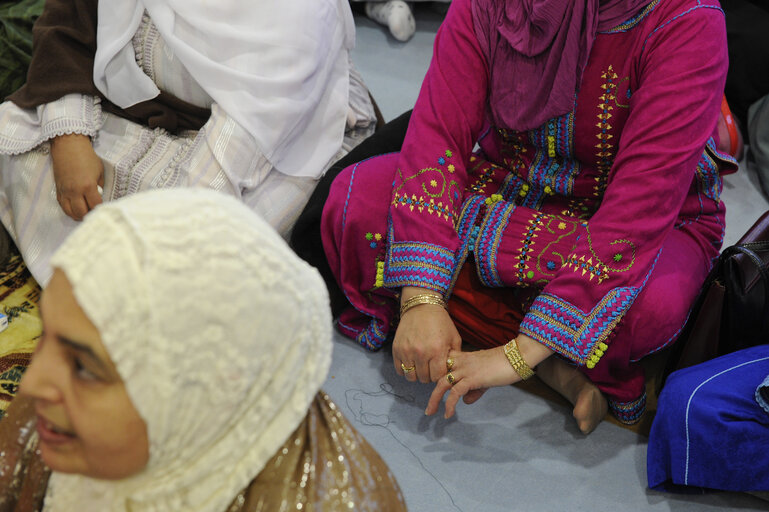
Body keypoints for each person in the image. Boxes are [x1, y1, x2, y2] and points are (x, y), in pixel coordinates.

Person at [311, 0, 738, 434]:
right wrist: (420, 296)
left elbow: (641, 204)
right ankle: (559, 365)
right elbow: (439, 129)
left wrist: (512, 358)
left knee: (646, 310)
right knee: (355, 203)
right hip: (508, 182)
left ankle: (520, 341)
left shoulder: (687, 20)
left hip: (643, 222)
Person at [0, 188, 406, 512]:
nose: (32, 383)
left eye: (86, 368)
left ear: (205, 389)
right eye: (47, 334)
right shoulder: (53, 421)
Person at [0, 0, 376, 286]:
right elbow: (68, 25)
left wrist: (168, 237)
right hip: (140, 111)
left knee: (203, 269)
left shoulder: (304, 12)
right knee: (12, 139)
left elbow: (239, 143)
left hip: (270, 141)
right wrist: (70, 138)